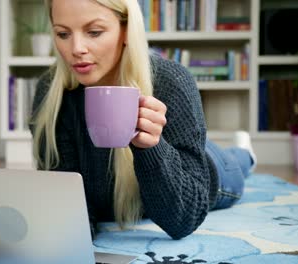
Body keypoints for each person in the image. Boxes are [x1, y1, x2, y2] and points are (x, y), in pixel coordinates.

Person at [30, 0, 257, 240]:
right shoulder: (51, 93)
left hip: (210, 170)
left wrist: (151, 147)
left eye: (94, 32)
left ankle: (246, 152)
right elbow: (69, 207)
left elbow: (183, 220)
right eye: (63, 34)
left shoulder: (172, 81)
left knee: (235, 161)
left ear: (127, 30)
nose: (76, 48)